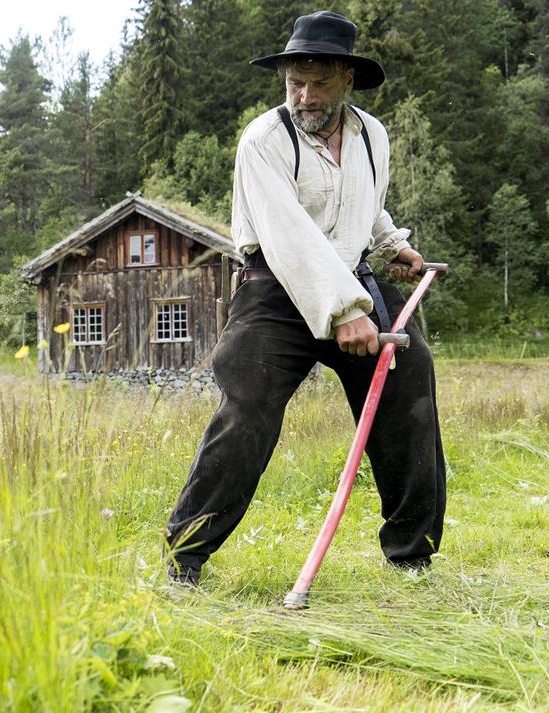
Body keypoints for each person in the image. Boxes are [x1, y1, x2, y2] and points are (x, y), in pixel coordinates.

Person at [164, 10, 446, 588]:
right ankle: (185, 559)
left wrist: (391, 245)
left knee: (410, 379)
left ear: (347, 79)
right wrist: (344, 311)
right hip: (275, 290)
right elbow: (289, 236)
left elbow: (363, 206)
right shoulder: (264, 140)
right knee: (247, 410)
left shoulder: (371, 135)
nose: (304, 94)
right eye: (295, 81)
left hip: (351, 276)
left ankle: (413, 555)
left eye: (318, 82)